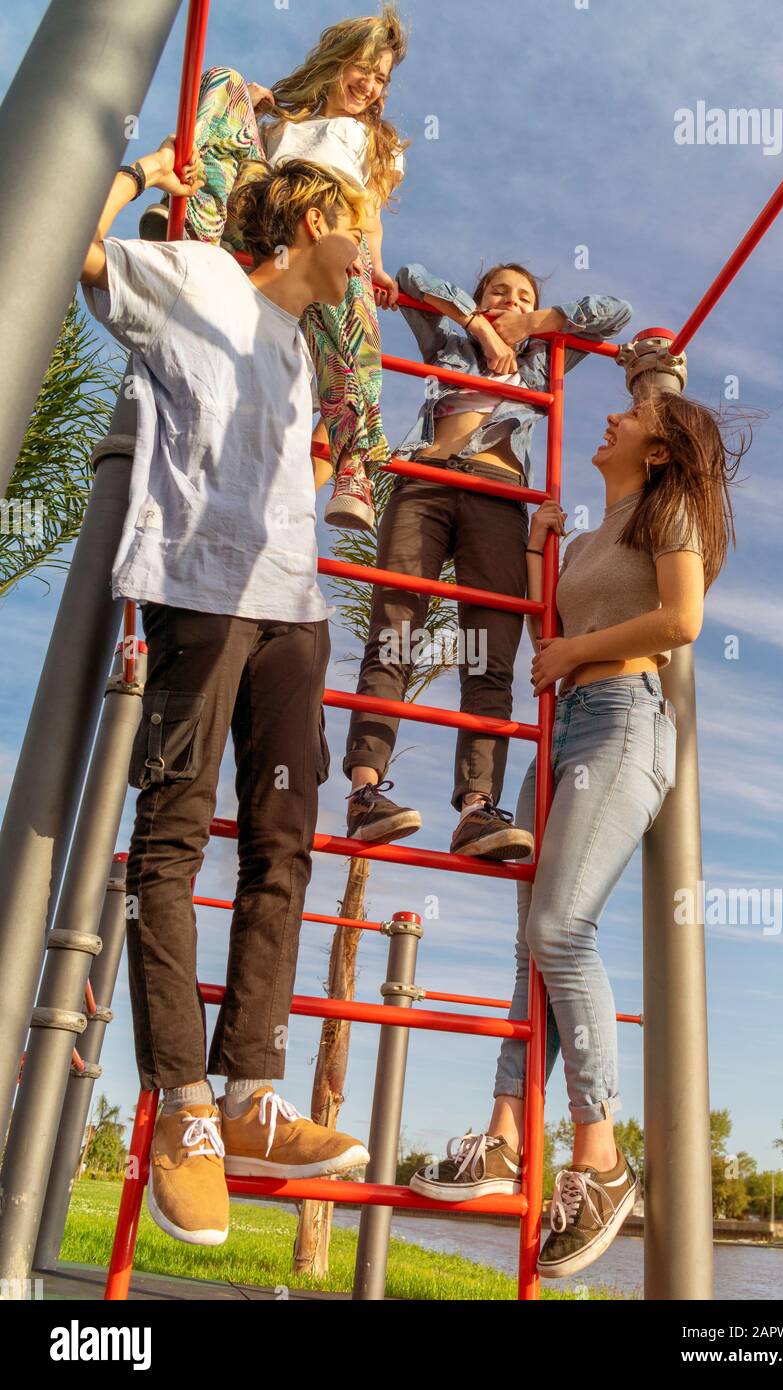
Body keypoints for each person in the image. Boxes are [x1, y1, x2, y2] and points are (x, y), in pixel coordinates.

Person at [80, 138, 372, 1246]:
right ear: (308, 222)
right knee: (172, 841)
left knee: (283, 843)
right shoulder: (196, 277)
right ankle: (184, 1111)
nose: (368, 258)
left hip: (293, 609)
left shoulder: (302, 347)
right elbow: (82, 251)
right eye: (357, 229)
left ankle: (249, 1089)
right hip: (200, 593)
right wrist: (143, 168)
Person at [409, 391, 747, 1278]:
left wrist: (574, 657)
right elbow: (545, 635)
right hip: (561, 735)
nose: (611, 419)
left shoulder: (669, 511)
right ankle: (505, 1136)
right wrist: (535, 548)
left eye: (634, 414)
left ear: (664, 447)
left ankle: (600, 1155)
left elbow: (681, 622)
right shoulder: (595, 536)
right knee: (534, 948)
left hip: (623, 722)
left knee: (562, 929)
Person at [343, 261, 632, 860]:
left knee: (489, 655)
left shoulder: (540, 361)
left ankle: (477, 809)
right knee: (395, 633)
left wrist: (537, 321)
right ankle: (366, 792)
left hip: (500, 499)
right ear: (478, 298)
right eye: (499, 290)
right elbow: (412, 276)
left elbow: (613, 313)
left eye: (523, 294)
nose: (511, 299)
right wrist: (478, 325)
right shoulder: (445, 338)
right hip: (425, 481)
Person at [139, 6, 409, 533]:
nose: (370, 85)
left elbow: (369, 216)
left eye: (381, 78)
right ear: (337, 61)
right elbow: (245, 146)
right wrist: (259, 109)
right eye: (363, 68)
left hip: (326, 221)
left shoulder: (378, 142)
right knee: (226, 81)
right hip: (266, 210)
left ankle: (354, 463)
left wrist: (374, 264)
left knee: (347, 278)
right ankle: (194, 217)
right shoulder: (283, 120)